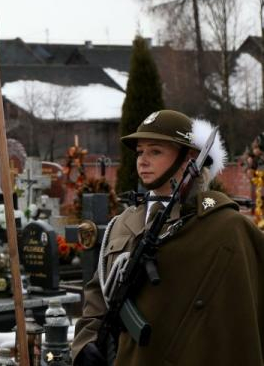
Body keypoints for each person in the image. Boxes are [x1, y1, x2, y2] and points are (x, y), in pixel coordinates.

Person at [72, 110, 264, 366]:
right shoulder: (123, 223)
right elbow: (99, 293)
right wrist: (85, 344)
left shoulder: (223, 226)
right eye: (140, 152)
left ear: (189, 159)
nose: (142, 160)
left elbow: (237, 318)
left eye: (155, 151)